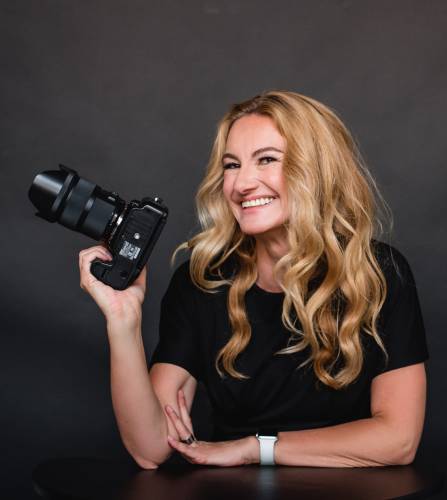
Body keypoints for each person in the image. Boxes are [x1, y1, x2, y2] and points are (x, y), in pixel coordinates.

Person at [78, 90, 428, 469]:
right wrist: (123, 322)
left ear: (316, 169)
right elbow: (149, 450)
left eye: (266, 160)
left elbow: (398, 440)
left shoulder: (378, 273)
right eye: (231, 165)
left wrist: (254, 447)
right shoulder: (201, 281)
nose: (242, 183)